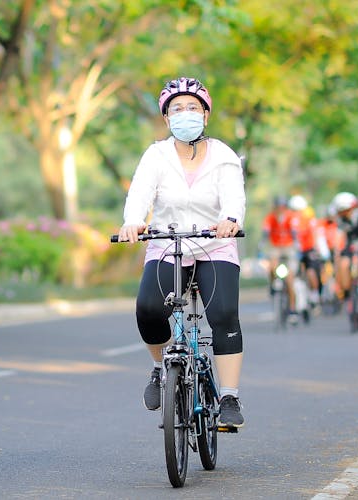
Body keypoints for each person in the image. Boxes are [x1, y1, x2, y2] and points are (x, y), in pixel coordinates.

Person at [117, 77, 246, 428]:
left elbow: (234, 196)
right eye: (177, 109)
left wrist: (231, 219)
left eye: (192, 108)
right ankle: (161, 369)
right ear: (166, 118)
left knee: (222, 315)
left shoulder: (223, 155)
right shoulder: (156, 155)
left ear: (205, 115)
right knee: (147, 310)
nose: (184, 114)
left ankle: (229, 396)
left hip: (213, 245)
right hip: (167, 243)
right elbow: (140, 193)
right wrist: (132, 222)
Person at [260, 195, 300, 322]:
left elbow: (294, 231)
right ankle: (272, 284)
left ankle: (293, 310)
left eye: (283, 207)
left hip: (288, 247)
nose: (280, 210)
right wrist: (262, 244)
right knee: (272, 265)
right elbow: (266, 232)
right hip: (275, 246)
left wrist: (297, 243)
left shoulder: (290, 217)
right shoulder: (270, 218)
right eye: (278, 207)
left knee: (290, 280)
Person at [332, 192, 358, 309]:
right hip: (349, 248)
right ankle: (348, 290)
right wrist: (336, 250)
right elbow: (338, 235)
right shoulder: (341, 220)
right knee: (343, 265)